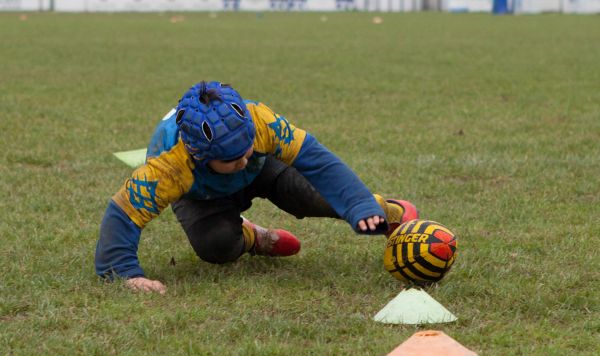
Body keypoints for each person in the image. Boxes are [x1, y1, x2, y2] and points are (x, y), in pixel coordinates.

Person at [95, 81, 418, 294]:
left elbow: (319, 162)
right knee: (216, 246)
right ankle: (255, 237)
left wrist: (361, 205)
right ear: (199, 154)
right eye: (232, 158)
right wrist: (124, 273)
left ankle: (384, 209)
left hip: (264, 172)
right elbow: (123, 214)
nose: (243, 156)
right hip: (201, 195)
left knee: (308, 196)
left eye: (246, 146)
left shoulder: (261, 122)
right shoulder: (168, 166)